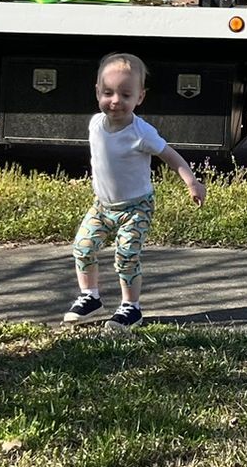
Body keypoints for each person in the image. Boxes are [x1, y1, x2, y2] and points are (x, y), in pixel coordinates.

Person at [63, 51, 206, 333]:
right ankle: (90, 298)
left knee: (126, 255)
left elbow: (171, 156)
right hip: (102, 206)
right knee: (82, 247)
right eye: (108, 92)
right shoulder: (95, 124)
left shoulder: (142, 133)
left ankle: (131, 307)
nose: (115, 101)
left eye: (125, 95)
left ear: (140, 97)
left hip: (135, 208)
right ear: (97, 92)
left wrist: (191, 182)